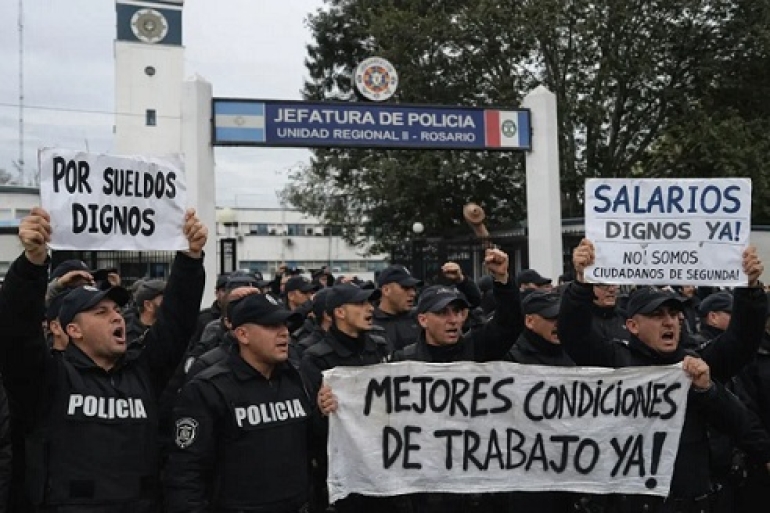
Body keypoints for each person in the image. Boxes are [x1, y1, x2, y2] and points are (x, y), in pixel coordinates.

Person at [5, 206, 206, 511]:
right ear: (73, 330)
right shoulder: (48, 379)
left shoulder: (142, 373)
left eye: (117, 310)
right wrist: (32, 263)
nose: (116, 317)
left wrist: (190, 259)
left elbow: (176, 321)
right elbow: (17, 328)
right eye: (100, 312)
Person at [559, 238, 768, 512]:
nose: (669, 321)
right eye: (657, 315)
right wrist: (581, 283)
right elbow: (574, 334)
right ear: (633, 326)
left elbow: (741, 341)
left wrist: (750, 289)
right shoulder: (616, 361)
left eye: (673, 314)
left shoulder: (696, 362)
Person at [384, 247, 522, 513]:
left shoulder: (478, 348)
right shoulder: (404, 361)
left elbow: (509, 324)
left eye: (458, 312)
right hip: (429, 485)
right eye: (443, 313)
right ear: (423, 320)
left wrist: (503, 279)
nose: (453, 321)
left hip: (478, 481)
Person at [164, 294, 319, 513]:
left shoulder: (298, 378)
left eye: (285, 324)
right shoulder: (209, 388)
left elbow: (314, 447)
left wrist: (323, 413)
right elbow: (186, 471)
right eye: (271, 326)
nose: (284, 332)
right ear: (243, 334)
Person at [299, 283, 395, 513]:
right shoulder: (315, 358)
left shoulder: (380, 348)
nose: (370, 308)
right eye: (360, 304)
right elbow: (308, 424)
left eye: (369, 303)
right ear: (340, 312)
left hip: (382, 465)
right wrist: (322, 410)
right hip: (341, 470)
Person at [506, 290, 580, 511]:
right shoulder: (510, 358)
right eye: (551, 318)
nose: (558, 324)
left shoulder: (574, 352)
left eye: (561, 318)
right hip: (525, 470)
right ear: (530, 321)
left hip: (567, 468)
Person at [372, 264, 422, 352]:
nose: (413, 293)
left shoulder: (419, 319)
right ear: (386, 290)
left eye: (414, 288)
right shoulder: (368, 322)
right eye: (406, 288)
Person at [127, 279, 166, 344]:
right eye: (165, 300)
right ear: (148, 305)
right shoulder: (131, 338)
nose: (169, 304)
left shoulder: (166, 329)